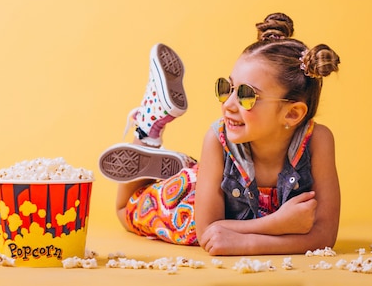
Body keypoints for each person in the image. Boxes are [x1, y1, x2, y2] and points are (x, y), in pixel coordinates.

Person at [98, 13, 341, 256]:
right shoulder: (217, 138)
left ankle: (166, 147)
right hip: (190, 201)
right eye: (227, 88)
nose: (228, 105)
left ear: (292, 114)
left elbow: (325, 236)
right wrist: (277, 224)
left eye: (247, 96)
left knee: (199, 181)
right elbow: (208, 232)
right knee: (125, 211)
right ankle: (147, 127)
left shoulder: (318, 141)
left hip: (213, 189)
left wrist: (244, 241)